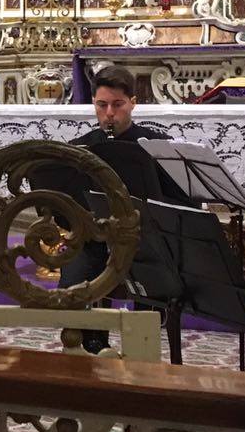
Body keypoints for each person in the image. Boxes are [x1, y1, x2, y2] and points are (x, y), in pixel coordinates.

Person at [59, 65, 186, 353]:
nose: (109, 114)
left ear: (132, 103)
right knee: (72, 276)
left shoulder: (156, 145)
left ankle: (144, 347)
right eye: (102, 105)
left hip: (144, 241)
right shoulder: (81, 148)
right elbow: (65, 205)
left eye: (118, 105)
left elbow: (180, 202)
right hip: (95, 239)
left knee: (155, 277)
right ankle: (92, 343)